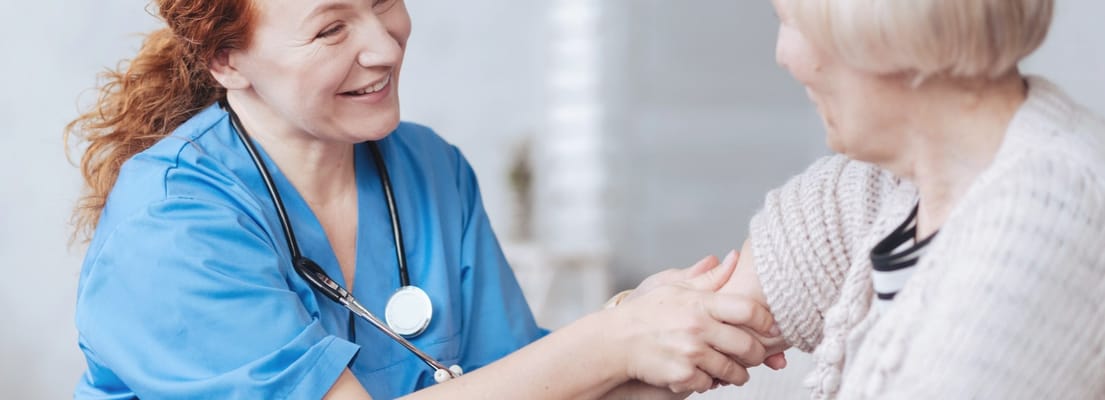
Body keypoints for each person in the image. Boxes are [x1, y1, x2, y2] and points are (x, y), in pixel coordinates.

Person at [66, 0, 785, 398]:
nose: (382, 45)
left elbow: (533, 386)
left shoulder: (428, 169)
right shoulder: (169, 222)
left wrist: (680, 335)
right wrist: (612, 339)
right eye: (331, 28)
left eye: (383, 1)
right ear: (227, 60)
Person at [663, 0, 1105, 398]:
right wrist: (620, 334)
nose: (784, 55)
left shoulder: (1044, 218)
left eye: (794, 22)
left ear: (895, 31)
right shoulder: (884, 187)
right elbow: (677, 334)